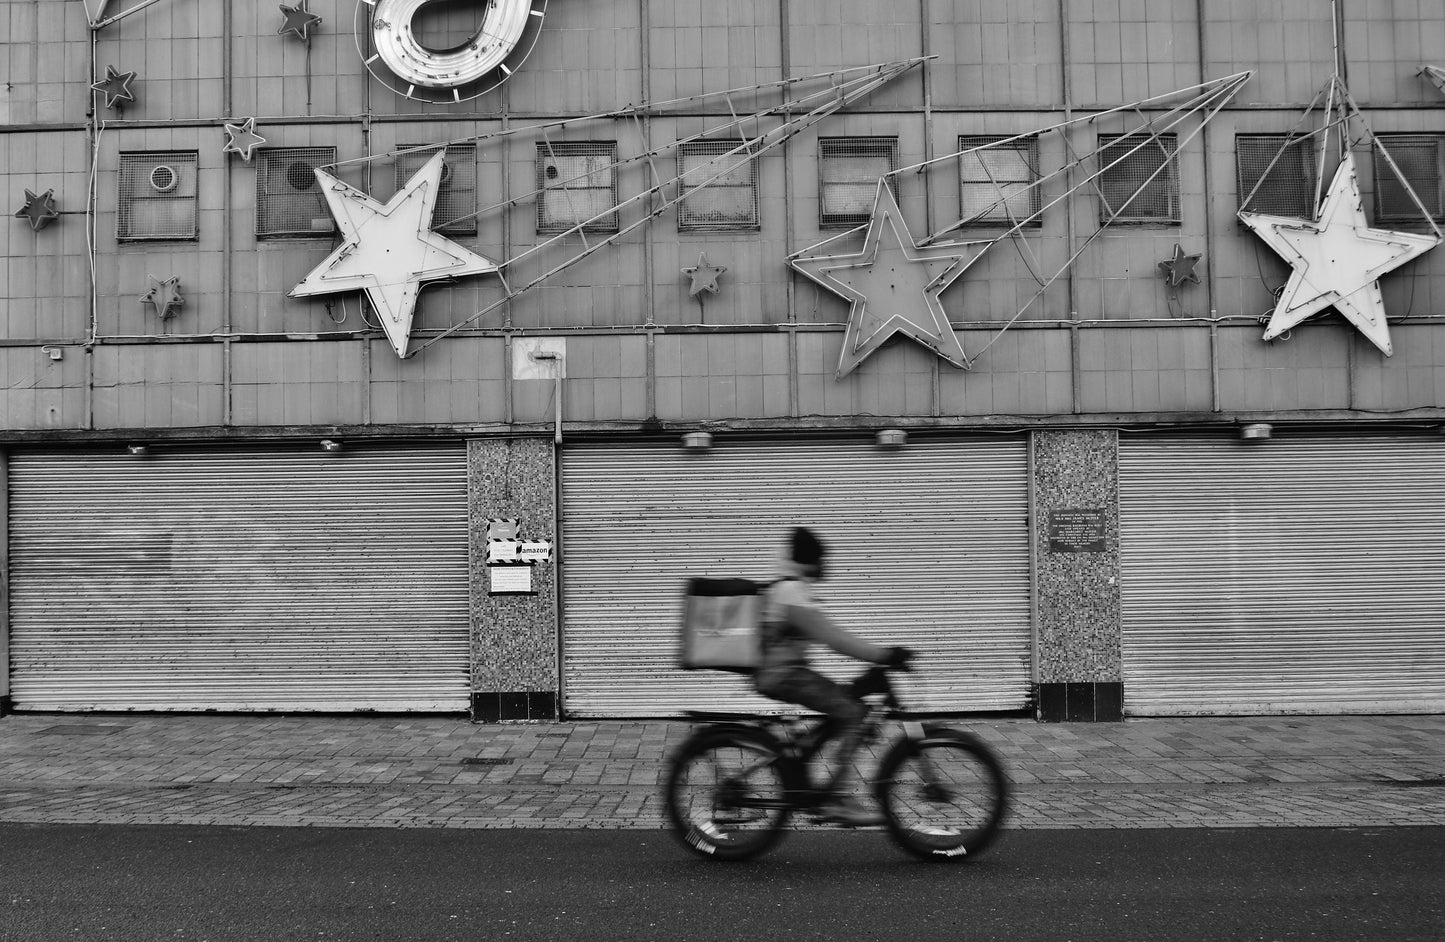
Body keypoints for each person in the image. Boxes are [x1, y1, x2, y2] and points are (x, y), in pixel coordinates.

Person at [753, 526, 913, 826]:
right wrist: (886, 655)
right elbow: (833, 639)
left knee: (845, 702)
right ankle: (839, 798)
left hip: (790, 673)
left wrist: (873, 663)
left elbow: (829, 637)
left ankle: (812, 768)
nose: (827, 566)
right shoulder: (790, 591)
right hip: (784, 676)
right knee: (851, 712)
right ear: (810, 560)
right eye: (822, 559)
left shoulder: (793, 587)